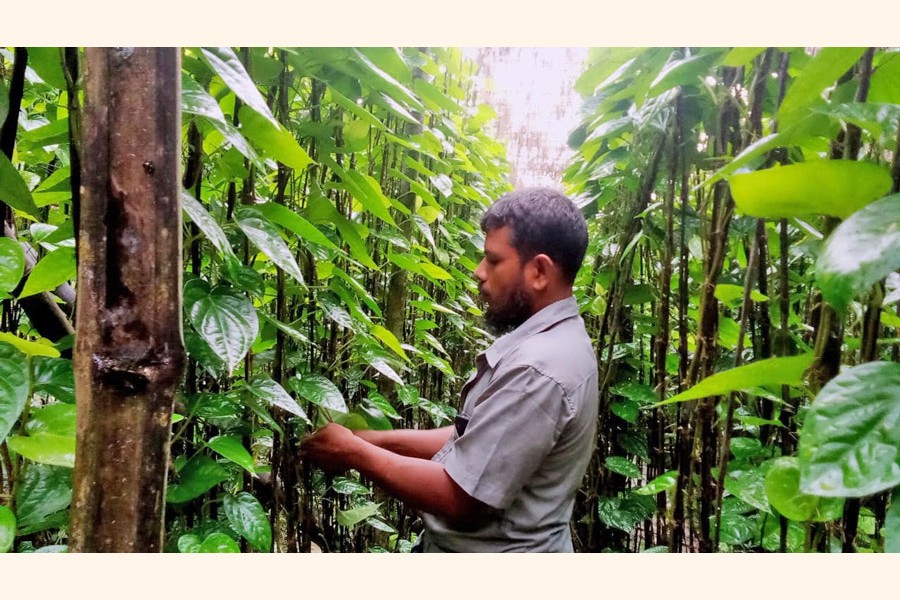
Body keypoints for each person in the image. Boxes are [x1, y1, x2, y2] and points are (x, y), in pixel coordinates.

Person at [300, 187, 598, 552]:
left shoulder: (539, 368)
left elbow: (460, 497)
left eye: (493, 260)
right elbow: (475, 438)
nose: (479, 272)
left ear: (539, 271)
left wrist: (354, 454)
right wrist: (369, 439)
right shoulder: (554, 340)